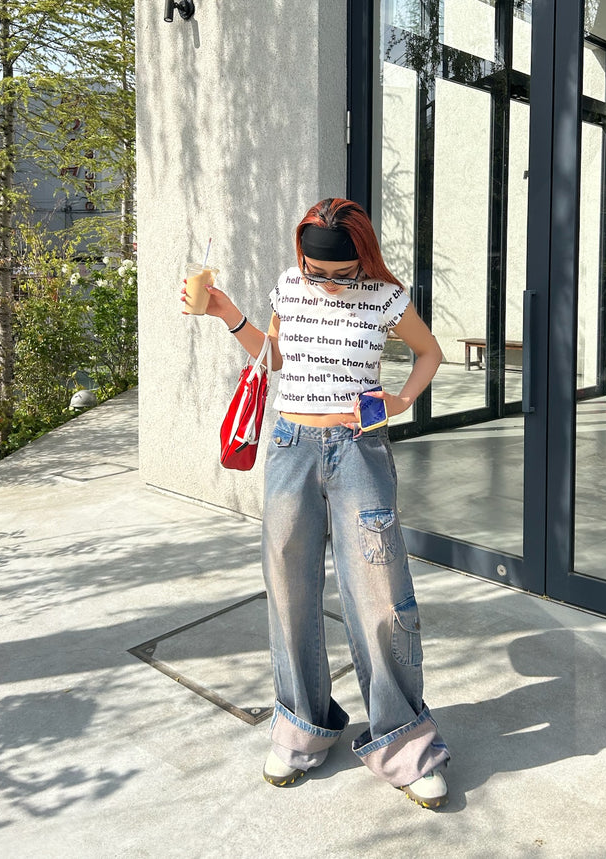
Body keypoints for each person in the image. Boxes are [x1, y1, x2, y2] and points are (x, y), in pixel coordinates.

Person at [182, 197, 450, 808]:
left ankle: (404, 744)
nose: (327, 283)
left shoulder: (385, 297)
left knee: (380, 594)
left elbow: (429, 352)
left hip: (360, 452)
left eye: (341, 274)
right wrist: (226, 311)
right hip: (290, 447)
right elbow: (277, 358)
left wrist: (399, 401)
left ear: (363, 258)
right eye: (315, 271)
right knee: (288, 590)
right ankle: (300, 729)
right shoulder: (288, 286)